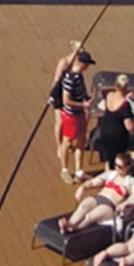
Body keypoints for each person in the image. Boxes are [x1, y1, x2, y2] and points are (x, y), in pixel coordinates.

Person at [60, 154, 134, 232]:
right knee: (83, 206)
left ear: (127, 167)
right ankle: (70, 223)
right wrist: (82, 187)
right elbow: (93, 182)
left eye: (120, 167)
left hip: (110, 205)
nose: (117, 168)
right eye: (115, 165)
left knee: (90, 216)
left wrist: (125, 204)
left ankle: (72, 229)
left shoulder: (130, 181)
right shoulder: (111, 174)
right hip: (98, 198)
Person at [51, 45, 95, 182]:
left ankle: (79, 170)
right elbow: (67, 101)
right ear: (83, 65)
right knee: (67, 141)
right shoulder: (70, 79)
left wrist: (86, 98)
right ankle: (64, 169)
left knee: (81, 141)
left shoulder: (79, 76)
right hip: (71, 115)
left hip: (80, 113)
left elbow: (81, 92)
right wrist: (83, 105)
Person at [91, 74, 134, 168]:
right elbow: (130, 127)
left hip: (105, 130)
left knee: (109, 158)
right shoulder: (125, 106)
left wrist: (126, 96)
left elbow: (117, 99)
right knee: (118, 160)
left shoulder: (109, 95)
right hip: (117, 136)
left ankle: (108, 171)